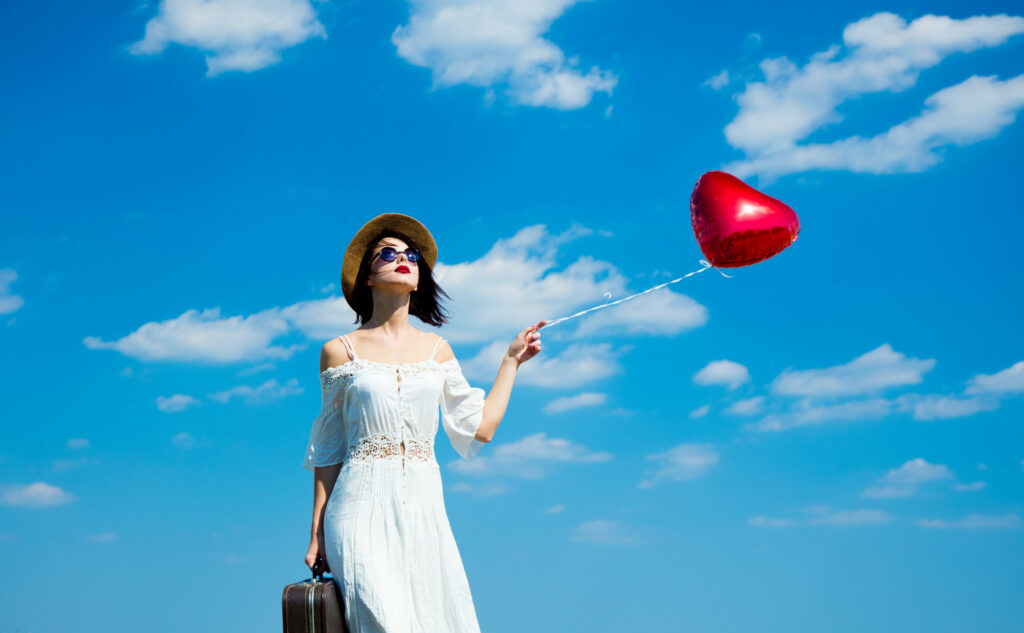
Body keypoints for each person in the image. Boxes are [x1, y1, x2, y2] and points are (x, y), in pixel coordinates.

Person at [302, 212, 544, 633]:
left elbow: (479, 428)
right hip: (358, 508)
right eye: (388, 253)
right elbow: (329, 446)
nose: (403, 259)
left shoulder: (438, 352)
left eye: (411, 255)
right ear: (367, 278)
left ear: (419, 277)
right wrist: (316, 533)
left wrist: (511, 362)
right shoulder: (338, 352)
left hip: (425, 509)